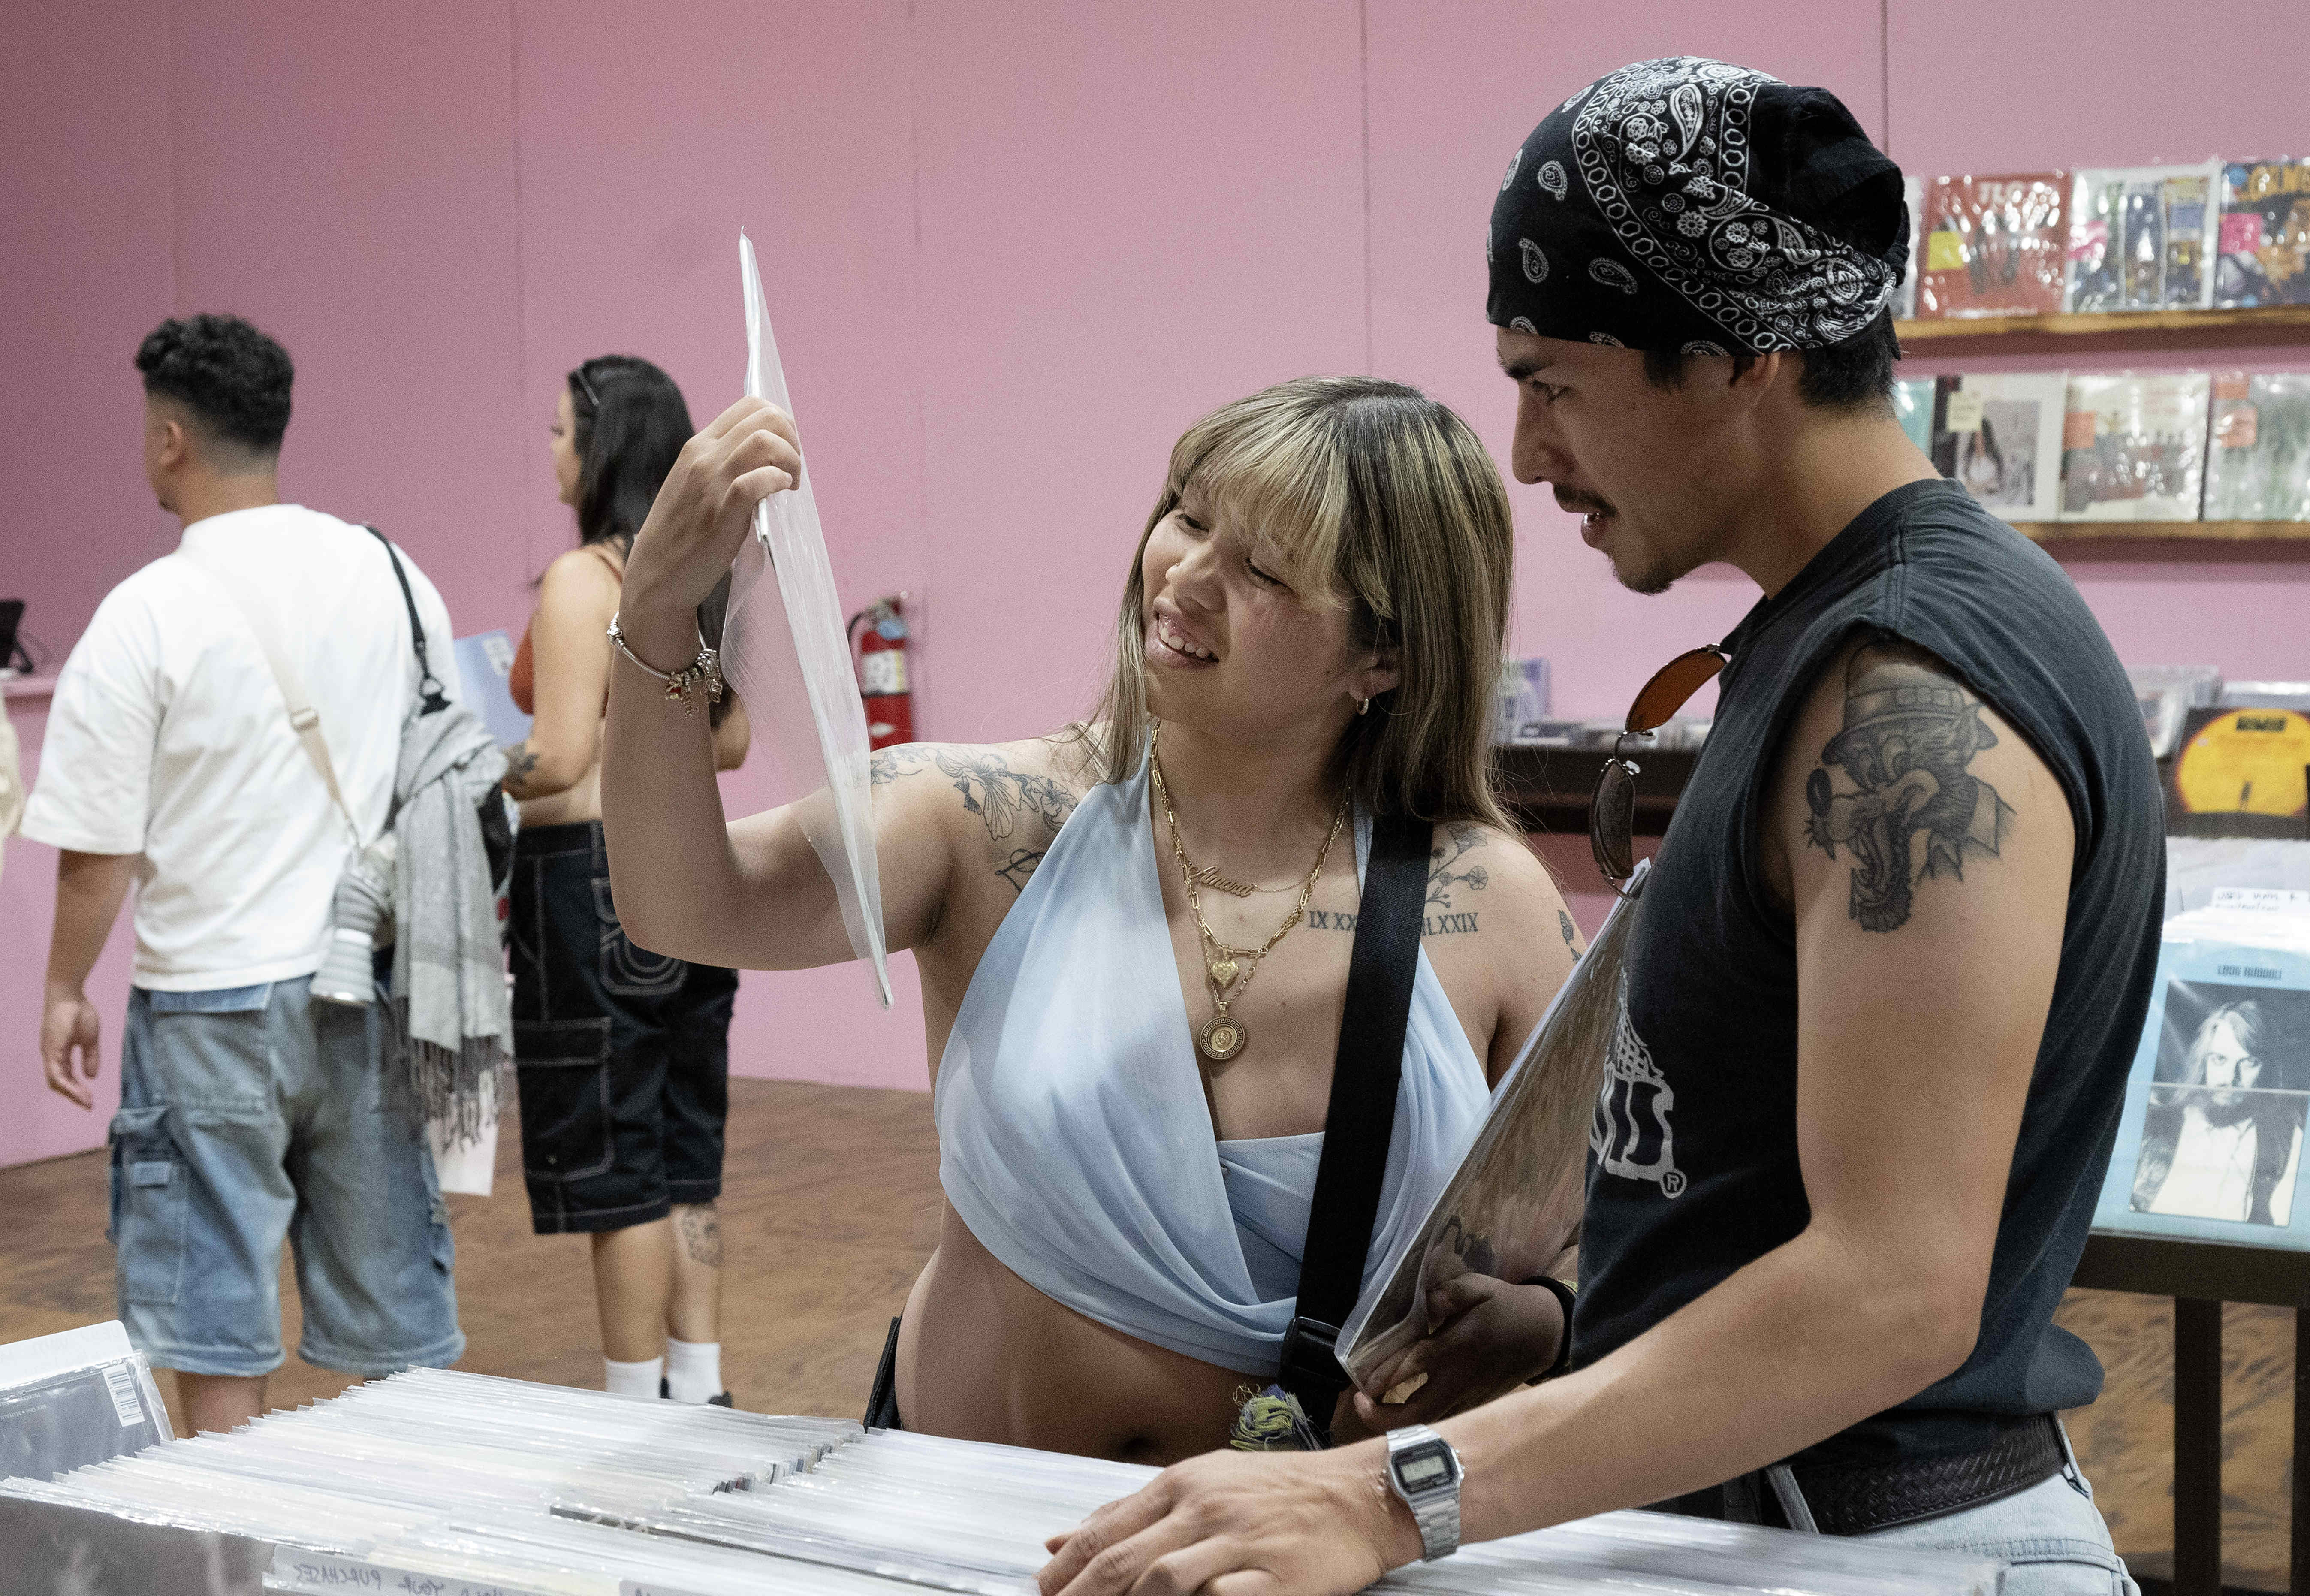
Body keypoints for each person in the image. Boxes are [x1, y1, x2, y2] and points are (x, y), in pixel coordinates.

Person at [1036, 57, 2166, 1596]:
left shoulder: (1913, 691)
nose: (1521, 449)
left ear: (1734, 363)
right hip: (1774, 1530)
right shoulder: (1832, 638)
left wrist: (1387, 1496)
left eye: (1554, 379)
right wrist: (1587, 1332)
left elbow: (1894, 1289)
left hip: (1875, 1568)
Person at [603, 377, 1582, 1463]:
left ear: (1383, 656)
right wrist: (654, 608)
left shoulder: (1490, 903)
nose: (1187, 575)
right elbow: (682, 902)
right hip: (973, 1547)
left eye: (1263, 567)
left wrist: (1544, 1319)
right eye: (1189, 513)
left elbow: (1601, 1234)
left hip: (1298, 1576)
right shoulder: (982, 822)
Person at [27, 314, 467, 1433]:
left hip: (209, 1001)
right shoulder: (394, 572)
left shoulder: (144, 614)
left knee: (212, 1315)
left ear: (170, 438)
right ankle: (397, 1564)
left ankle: (235, 1580)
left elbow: (102, 849)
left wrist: (65, 985)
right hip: (368, 984)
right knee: (398, 1325)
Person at [503, 354, 753, 1405]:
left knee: (618, 1169)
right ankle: (699, 1386)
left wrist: (458, 773)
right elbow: (730, 740)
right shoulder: (704, 577)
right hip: (693, 872)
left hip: (589, 884)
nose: (551, 453)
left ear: (601, 448)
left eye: (561, 432)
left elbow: (554, 755)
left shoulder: (583, 580)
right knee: (685, 1152)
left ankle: (630, 1408)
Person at [2129, 998, 2306, 1225]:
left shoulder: (2287, 1136)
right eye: (2220, 1060)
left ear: (2267, 1068)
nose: (2230, 1079)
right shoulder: (2155, 1122)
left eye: (2249, 1063)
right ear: (2203, 1061)